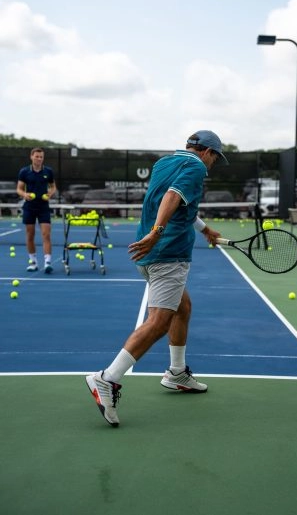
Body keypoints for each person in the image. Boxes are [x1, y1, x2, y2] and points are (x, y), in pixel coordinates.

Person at [86, 130, 228, 427]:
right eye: (215, 157)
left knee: (182, 307)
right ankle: (107, 379)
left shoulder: (165, 162)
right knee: (159, 321)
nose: (213, 164)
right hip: (167, 254)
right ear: (207, 152)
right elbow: (172, 197)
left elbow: (176, 203)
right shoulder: (196, 166)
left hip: (148, 254)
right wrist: (157, 233)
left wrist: (204, 230)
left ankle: (177, 374)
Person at [17, 147, 57, 274]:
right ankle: (33, 262)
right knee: (30, 235)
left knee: (46, 234)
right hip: (29, 207)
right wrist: (24, 195)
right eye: (37, 156)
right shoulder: (24, 172)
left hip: (43, 207)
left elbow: (53, 187)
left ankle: (47, 263)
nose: (39, 159)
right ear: (31, 157)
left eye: (41, 157)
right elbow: (19, 189)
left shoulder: (48, 171)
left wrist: (50, 194)